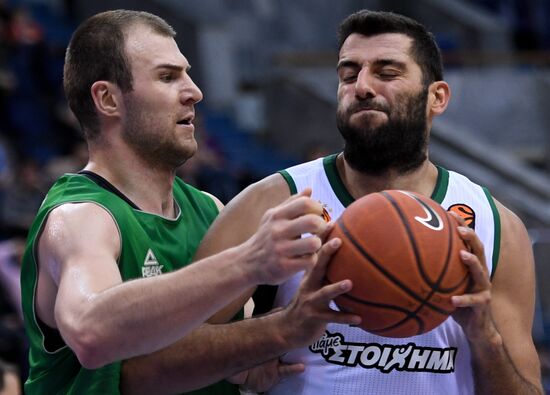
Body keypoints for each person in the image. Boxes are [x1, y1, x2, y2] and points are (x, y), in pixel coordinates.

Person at [194, 10, 543, 394]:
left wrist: (485, 336)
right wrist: (272, 333)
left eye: (387, 72)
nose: (361, 86)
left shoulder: (495, 225)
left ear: (437, 97)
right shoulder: (274, 202)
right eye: (348, 74)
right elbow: (163, 354)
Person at [19, 10, 361, 395]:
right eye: (168, 77)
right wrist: (250, 262)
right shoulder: (80, 217)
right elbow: (91, 332)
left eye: (187, 73)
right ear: (107, 99)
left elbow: (225, 351)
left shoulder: (209, 209)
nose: (195, 91)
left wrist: (255, 360)